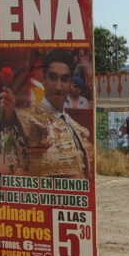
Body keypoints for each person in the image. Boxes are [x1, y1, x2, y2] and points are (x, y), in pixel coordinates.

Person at [19, 49, 93, 178]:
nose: (58, 87)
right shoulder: (27, 118)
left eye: (64, 79)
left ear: (70, 84)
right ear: (44, 80)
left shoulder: (74, 125)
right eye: (53, 78)